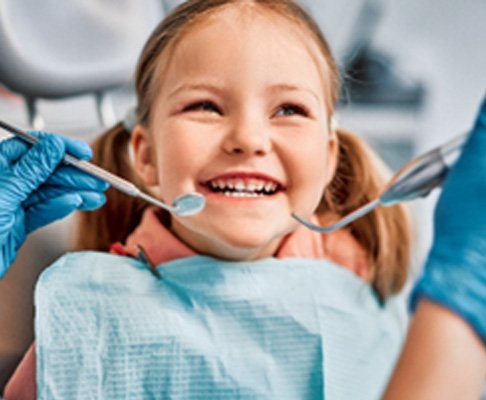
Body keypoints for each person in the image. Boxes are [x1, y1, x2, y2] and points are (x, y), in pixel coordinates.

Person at [1, 0, 484, 398]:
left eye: (289, 109)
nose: (249, 138)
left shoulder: (363, 300)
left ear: (328, 156)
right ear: (146, 158)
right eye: (205, 106)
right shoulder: (89, 315)